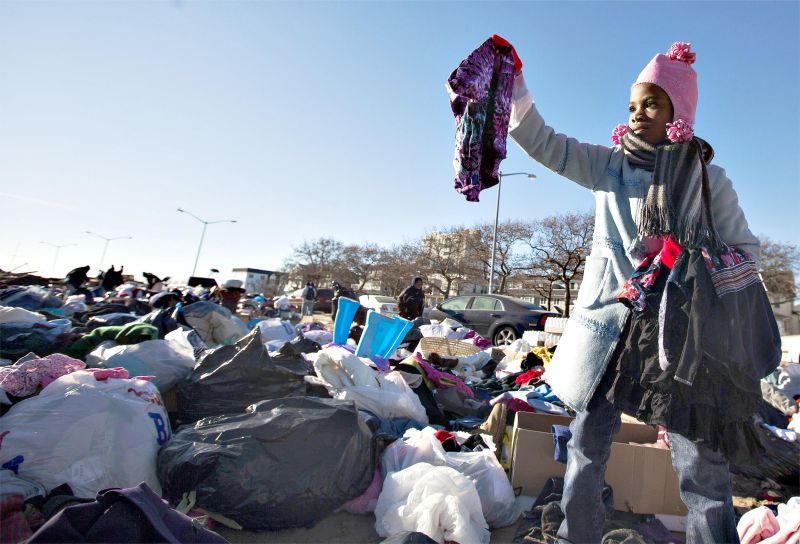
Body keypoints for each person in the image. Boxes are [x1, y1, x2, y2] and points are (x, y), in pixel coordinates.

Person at [495, 36, 763, 543]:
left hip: (679, 341)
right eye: (632, 106)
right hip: (609, 330)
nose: (638, 115)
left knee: (699, 466)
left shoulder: (710, 180)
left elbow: (745, 253)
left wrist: (687, 259)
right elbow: (542, 141)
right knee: (585, 447)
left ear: (677, 111)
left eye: (652, 104)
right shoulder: (608, 166)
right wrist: (516, 83)